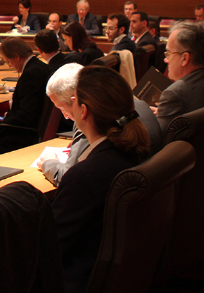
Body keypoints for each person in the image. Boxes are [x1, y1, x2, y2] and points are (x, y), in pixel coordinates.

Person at [51, 65, 150, 293]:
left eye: (74, 100)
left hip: (76, 280)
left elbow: (49, 248)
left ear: (83, 111)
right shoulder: (137, 149)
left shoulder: (85, 176)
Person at [0, 37, 51, 158]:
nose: (9, 66)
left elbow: (27, 115)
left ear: (17, 57)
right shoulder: (41, 67)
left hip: (21, 134)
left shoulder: (31, 74)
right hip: (27, 126)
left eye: (8, 61)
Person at [155, 22, 204, 134]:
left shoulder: (174, 94)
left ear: (185, 58)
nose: (166, 60)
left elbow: (154, 141)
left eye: (169, 53)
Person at [37, 63, 88, 186]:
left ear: (75, 101)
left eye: (62, 108)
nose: (65, 116)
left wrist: (48, 162)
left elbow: (66, 178)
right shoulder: (135, 104)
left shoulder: (88, 121)